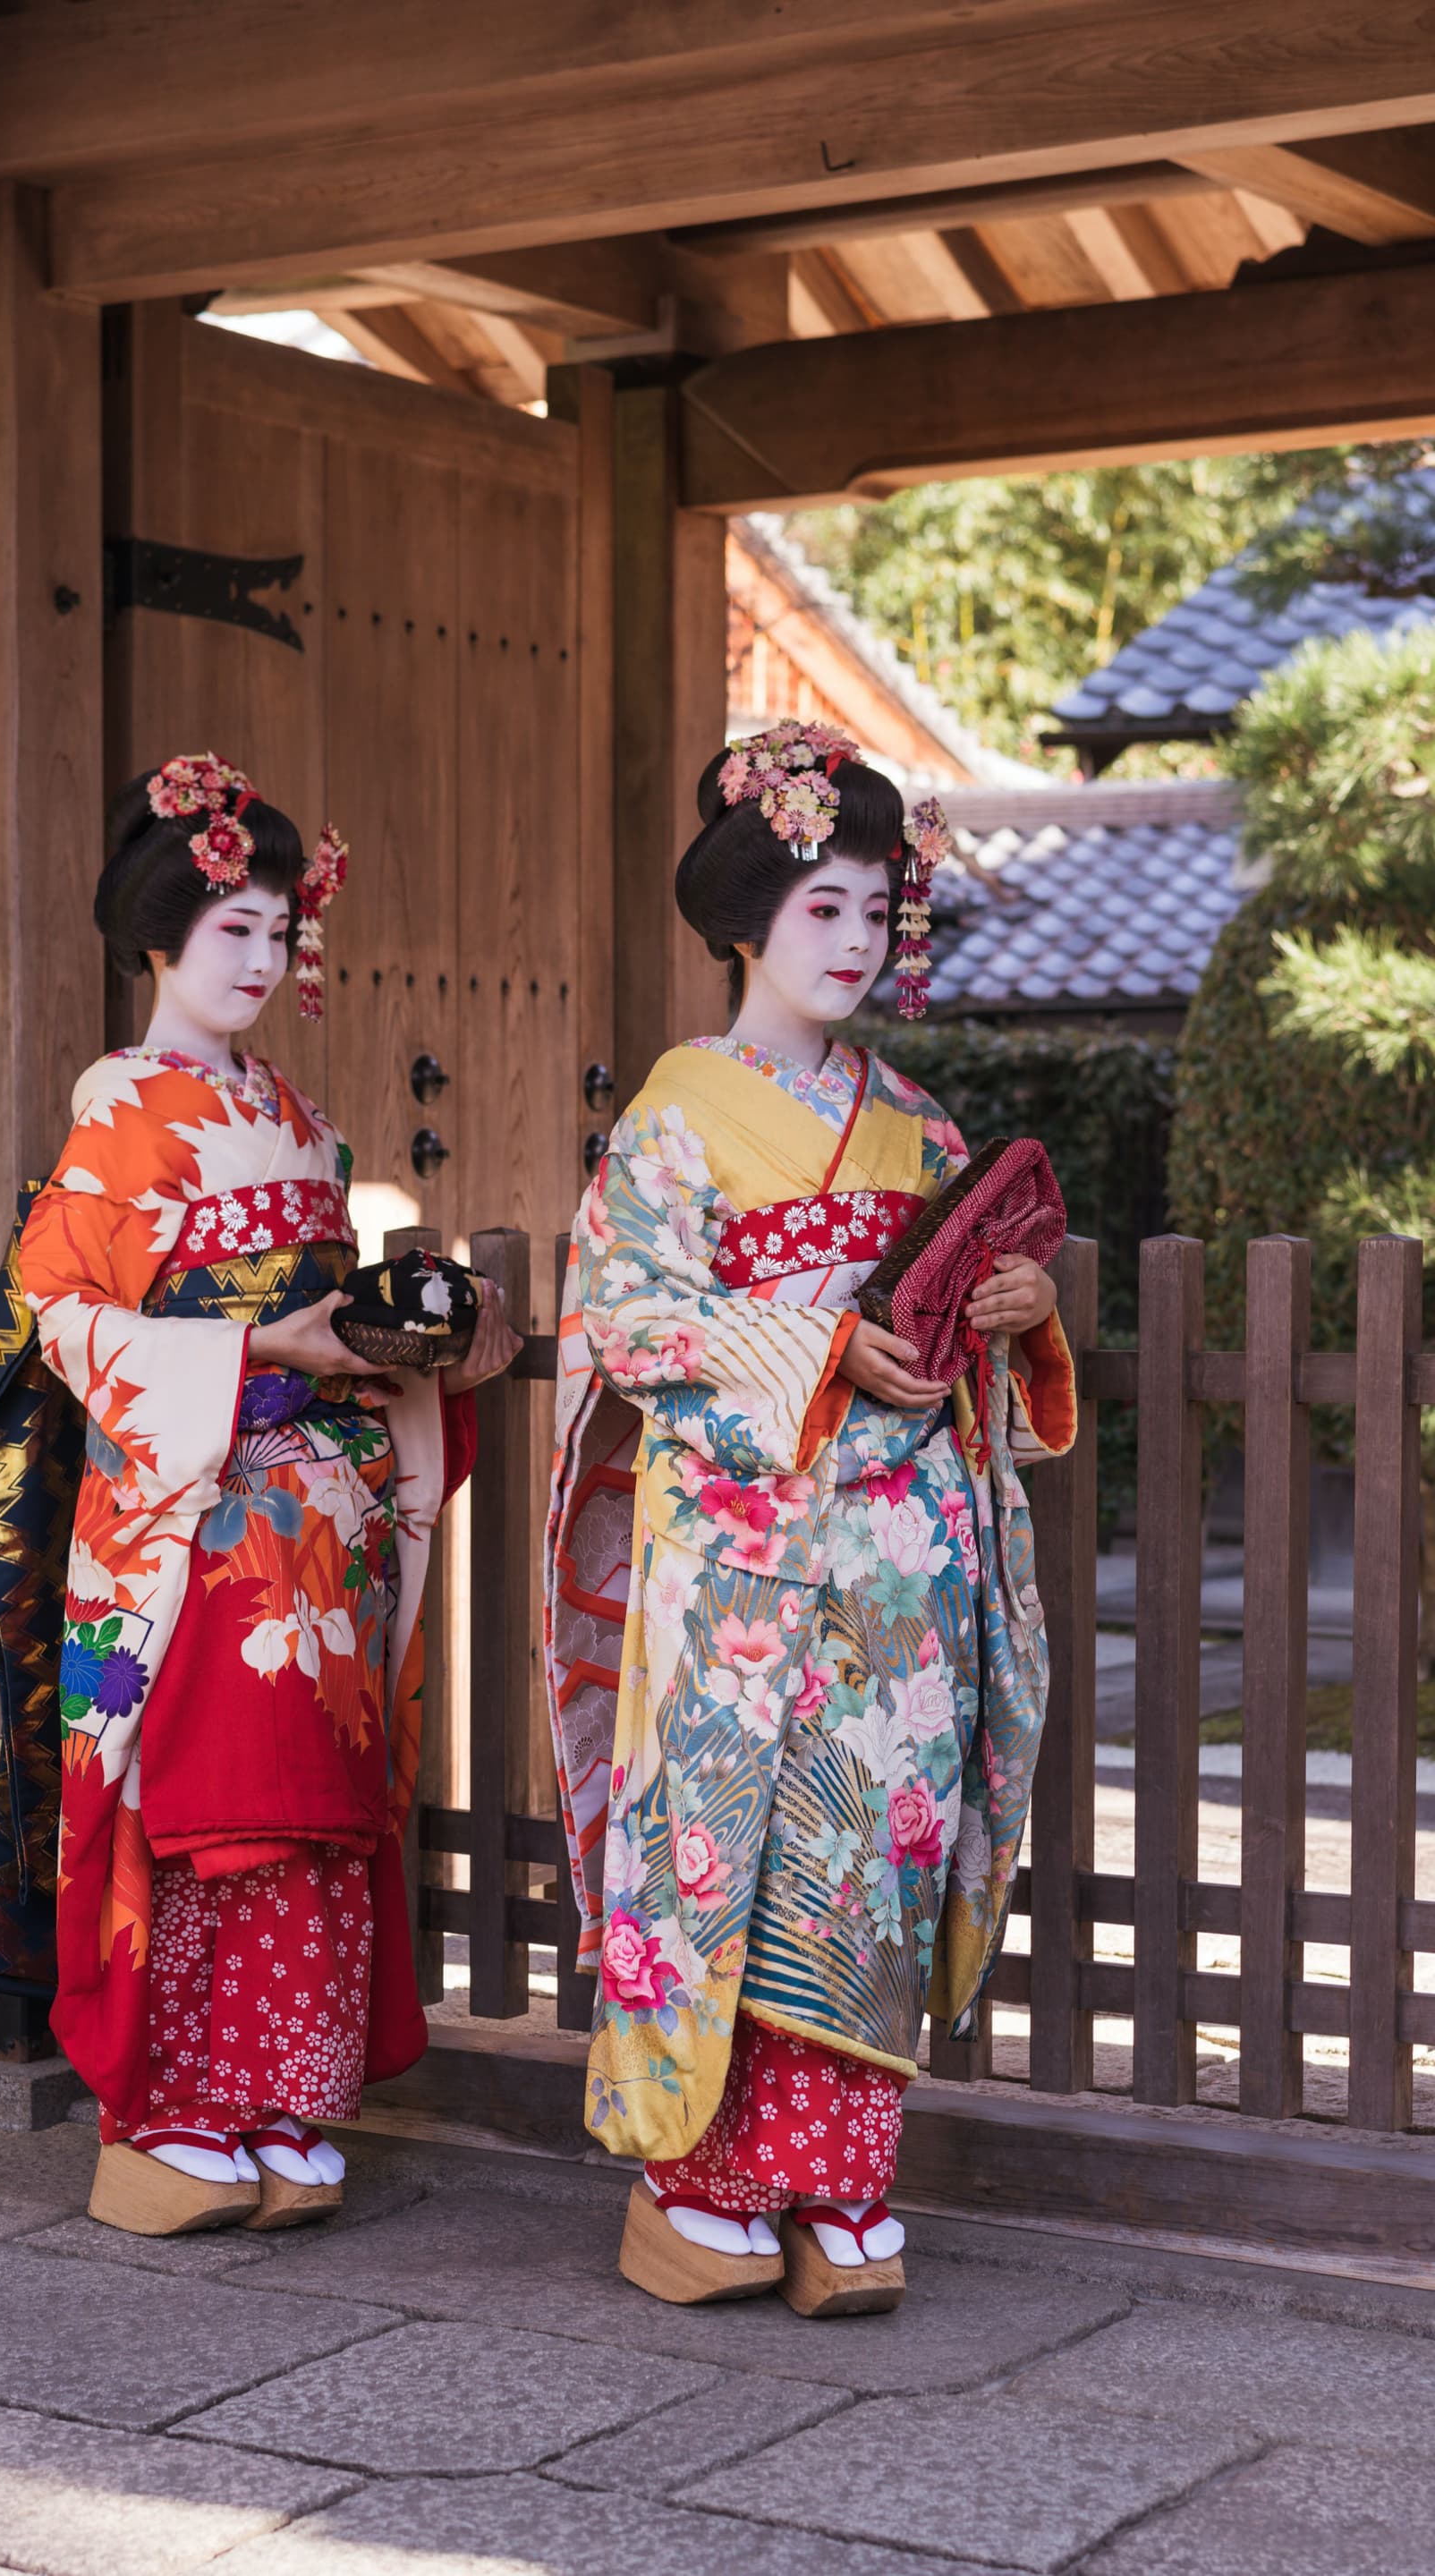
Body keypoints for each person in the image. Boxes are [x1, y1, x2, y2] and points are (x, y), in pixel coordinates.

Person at [544, 723, 1075, 2316]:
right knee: (733, 1845)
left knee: (878, 1846)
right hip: (743, 1551)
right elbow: (625, 1320)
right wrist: (818, 1337)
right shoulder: (678, 1117)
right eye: (822, 908)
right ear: (744, 921)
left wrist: (1016, 1309)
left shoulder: (919, 1126)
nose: (851, 940)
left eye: (872, 911)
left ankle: (841, 2177)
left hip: (907, 1554)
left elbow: (976, 1333)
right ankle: (700, 2180)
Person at [0, 752, 516, 2236]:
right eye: (233, 934)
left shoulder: (301, 1116)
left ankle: (282, 2095)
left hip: (324, 1517)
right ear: (161, 940)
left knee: (319, 1802)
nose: (263, 961)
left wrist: (427, 1343)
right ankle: (167, 2111)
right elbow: (66, 1326)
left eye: (280, 934)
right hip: (195, 1514)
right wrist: (259, 1342)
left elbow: (345, 1306)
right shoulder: (121, 1118)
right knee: (207, 1803)